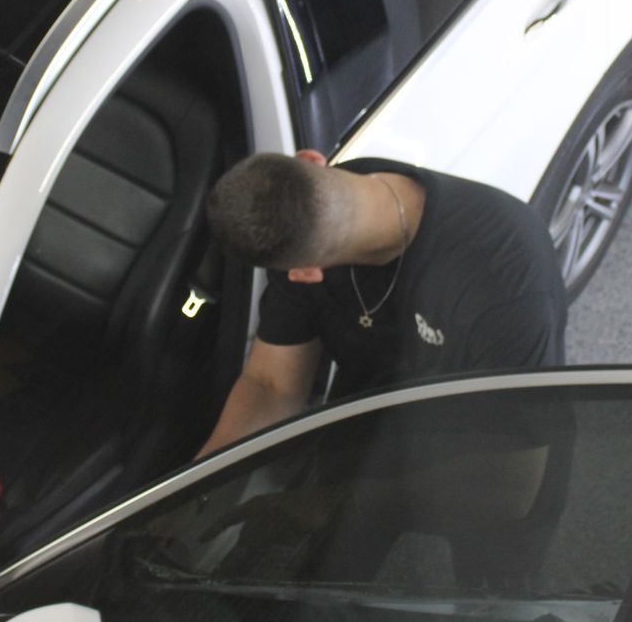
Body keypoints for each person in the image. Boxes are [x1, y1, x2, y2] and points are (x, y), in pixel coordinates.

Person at [196, 149, 566, 457]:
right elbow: (271, 385)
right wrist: (198, 486)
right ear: (312, 160)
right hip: (365, 438)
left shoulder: (505, 279)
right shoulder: (297, 217)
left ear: (304, 272)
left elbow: (516, 481)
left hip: (478, 461)